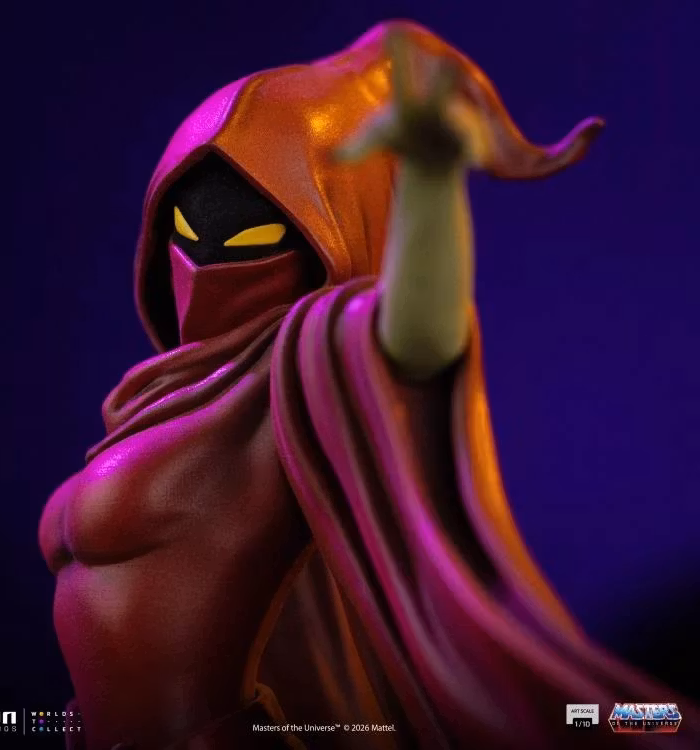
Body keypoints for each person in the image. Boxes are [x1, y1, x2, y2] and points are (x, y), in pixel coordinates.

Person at [39, 20, 698, 750]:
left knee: (602, 723)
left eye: (251, 238)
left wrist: (429, 184)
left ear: (329, 234)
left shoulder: (298, 367)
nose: (206, 262)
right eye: (183, 231)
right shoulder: (156, 397)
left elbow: (415, 337)